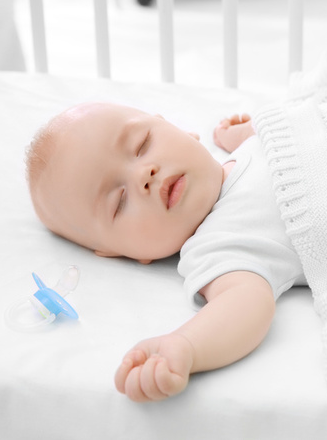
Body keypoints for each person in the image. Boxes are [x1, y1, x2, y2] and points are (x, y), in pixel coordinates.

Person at [26, 102, 305, 402]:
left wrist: (239, 133)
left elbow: (285, 125)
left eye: (142, 144)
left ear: (178, 129)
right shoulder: (220, 247)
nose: (144, 174)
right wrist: (186, 346)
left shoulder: (253, 145)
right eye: (119, 201)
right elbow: (245, 304)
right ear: (122, 252)